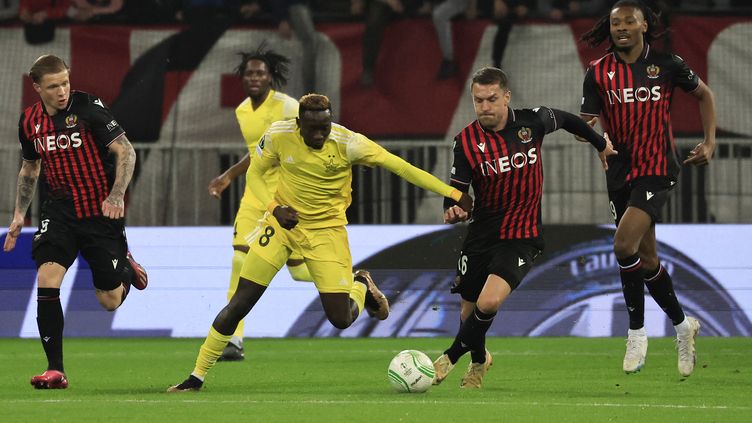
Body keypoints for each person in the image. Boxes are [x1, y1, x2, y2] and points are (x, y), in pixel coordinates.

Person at [167, 93, 473, 392]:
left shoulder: (349, 143)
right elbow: (256, 177)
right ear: (298, 123)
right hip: (282, 225)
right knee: (240, 303)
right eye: (312, 128)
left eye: (324, 127)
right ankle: (196, 377)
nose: (319, 134)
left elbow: (401, 167)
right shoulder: (278, 134)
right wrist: (274, 208)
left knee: (340, 319)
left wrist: (453, 193)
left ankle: (361, 284)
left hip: (327, 233)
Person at [432, 67, 616, 389]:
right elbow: (457, 192)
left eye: (491, 99)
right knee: (468, 313)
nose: (485, 107)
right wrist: (454, 209)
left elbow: (571, 121)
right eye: (478, 101)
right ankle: (479, 360)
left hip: (522, 236)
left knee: (489, 303)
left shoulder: (533, 121)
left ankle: (449, 357)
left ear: (506, 97)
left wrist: (599, 143)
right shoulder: (466, 142)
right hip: (481, 235)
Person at [579, 0, 716, 376]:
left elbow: (704, 95)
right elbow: (589, 121)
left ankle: (637, 332)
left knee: (623, 244)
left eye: (628, 21)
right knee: (648, 258)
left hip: (656, 169)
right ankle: (683, 325)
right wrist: (595, 137)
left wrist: (709, 141)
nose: (620, 27)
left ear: (644, 26)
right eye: (614, 22)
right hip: (620, 173)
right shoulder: (598, 72)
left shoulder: (668, 65)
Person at [3, 55, 148, 389]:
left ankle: (125, 268)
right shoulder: (29, 122)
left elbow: (125, 151)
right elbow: (30, 168)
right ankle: (55, 370)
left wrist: (116, 195)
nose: (63, 91)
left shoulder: (88, 108)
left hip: (100, 213)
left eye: (65, 82)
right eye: (54, 86)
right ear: (37, 87)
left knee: (109, 300)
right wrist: (18, 214)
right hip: (60, 213)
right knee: (47, 276)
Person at [207, 45, 314, 361]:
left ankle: (355, 283)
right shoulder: (242, 111)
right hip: (255, 196)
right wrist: (228, 175)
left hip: (287, 198)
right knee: (240, 260)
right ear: (243, 77)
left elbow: (311, 143)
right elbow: (257, 152)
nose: (255, 77)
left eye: (261, 72)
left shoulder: (288, 107)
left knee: (301, 272)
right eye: (250, 72)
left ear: (271, 77)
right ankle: (233, 339)